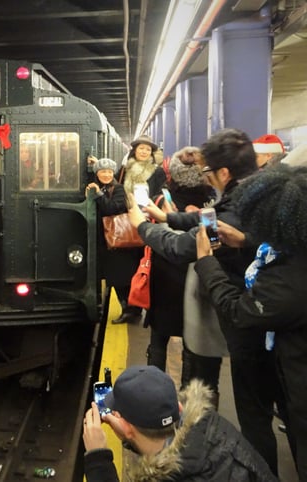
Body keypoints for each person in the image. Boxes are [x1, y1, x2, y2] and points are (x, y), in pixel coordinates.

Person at [127, 128, 284, 475]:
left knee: (252, 415)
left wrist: (144, 227)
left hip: (242, 320)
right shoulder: (253, 195)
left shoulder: (238, 207)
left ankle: (258, 472)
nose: (206, 179)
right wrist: (168, 217)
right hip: (254, 319)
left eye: (208, 173)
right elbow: (211, 219)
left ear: (224, 173)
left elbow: (183, 247)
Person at [195, 164, 307, 480]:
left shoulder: (287, 282)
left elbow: (239, 311)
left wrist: (206, 263)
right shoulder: (295, 247)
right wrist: (245, 240)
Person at [82, 365, 277, 481]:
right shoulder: (212, 428)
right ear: (179, 407)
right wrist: (130, 437)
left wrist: (98, 461)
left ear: (127, 427)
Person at [143, 147, 214, 371]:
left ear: (173, 171)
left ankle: (153, 386)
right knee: (191, 338)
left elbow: (154, 230)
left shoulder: (163, 196)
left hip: (165, 272)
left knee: (159, 337)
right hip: (198, 272)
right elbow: (214, 238)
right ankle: (187, 390)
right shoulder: (212, 199)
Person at [111, 135, 162, 325]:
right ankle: (127, 307)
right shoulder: (124, 170)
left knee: (142, 267)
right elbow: (115, 188)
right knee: (121, 268)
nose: (144, 152)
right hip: (125, 223)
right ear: (134, 150)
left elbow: (159, 195)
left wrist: (149, 209)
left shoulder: (157, 172)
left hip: (146, 221)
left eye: (147, 150)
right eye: (141, 148)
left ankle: (140, 307)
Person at [86, 158, 139, 322]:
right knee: (115, 278)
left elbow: (112, 208)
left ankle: (130, 311)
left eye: (109, 171)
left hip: (119, 242)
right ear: (97, 173)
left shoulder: (118, 189)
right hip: (108, 240)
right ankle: (128, 310)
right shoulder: (98, 187)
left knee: (122, 278)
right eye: (102, 171)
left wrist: (99, 195)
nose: (107, 174)